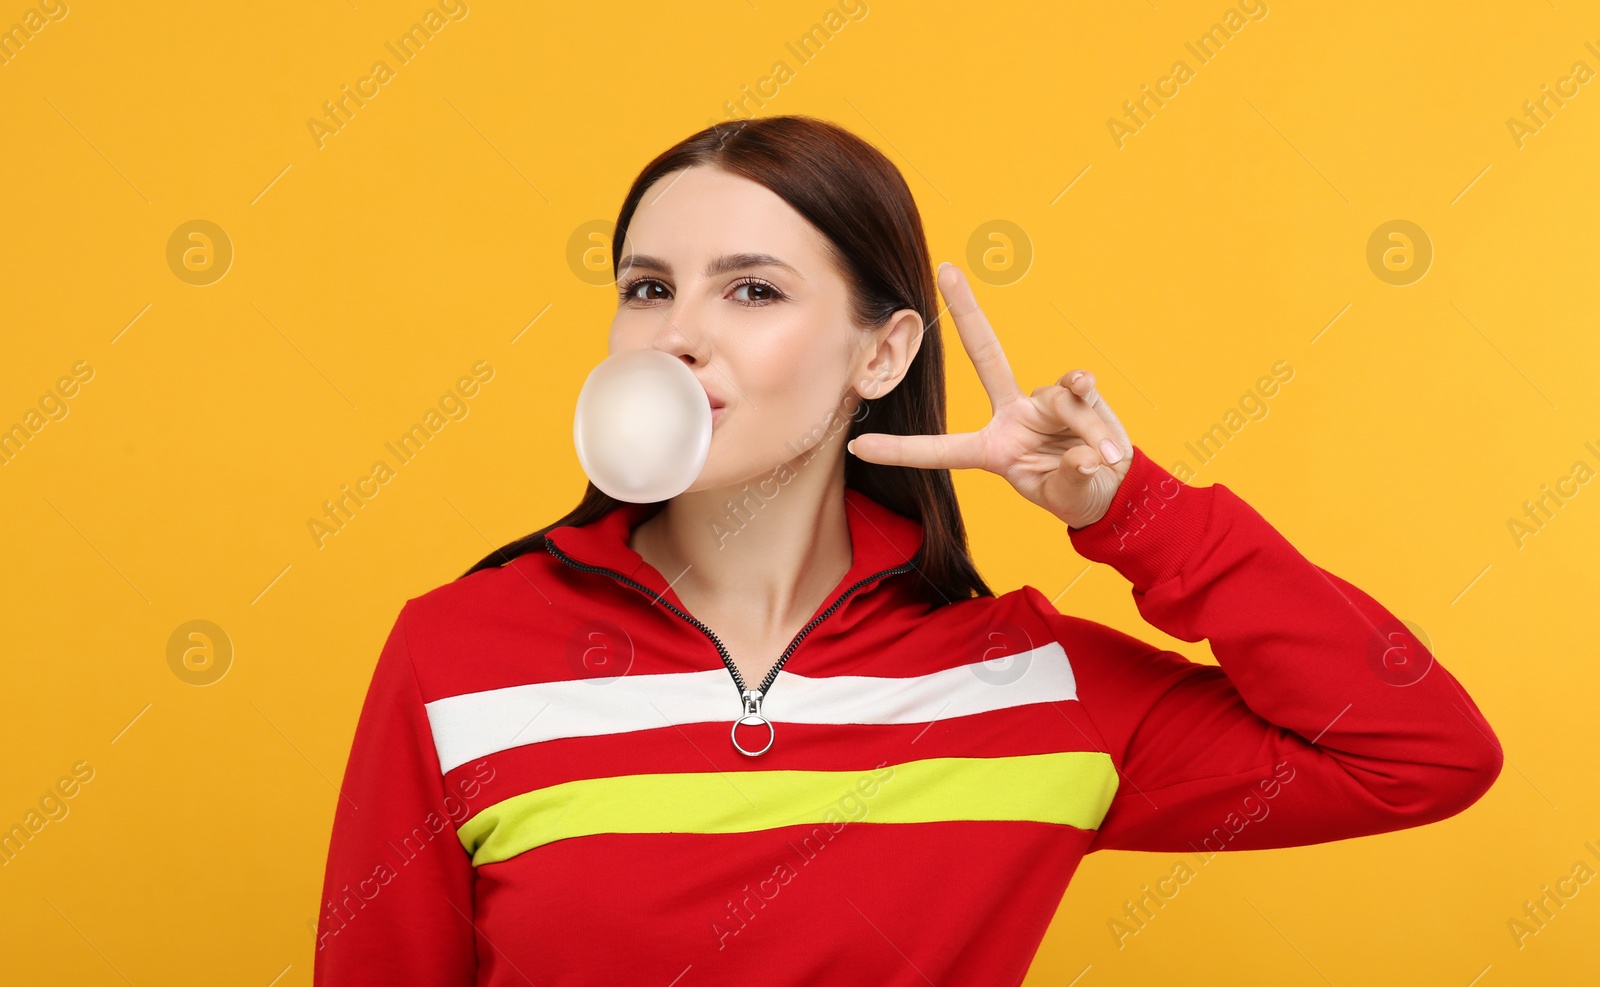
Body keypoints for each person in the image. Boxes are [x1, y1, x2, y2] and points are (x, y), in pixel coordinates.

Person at [312, 115, 1502, 986]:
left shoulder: (1032, 687)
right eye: (646, 286)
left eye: (752, 292)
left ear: (879, 357)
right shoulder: (460, 652)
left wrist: (1130, 511)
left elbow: (1417, 751)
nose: (675, 337)